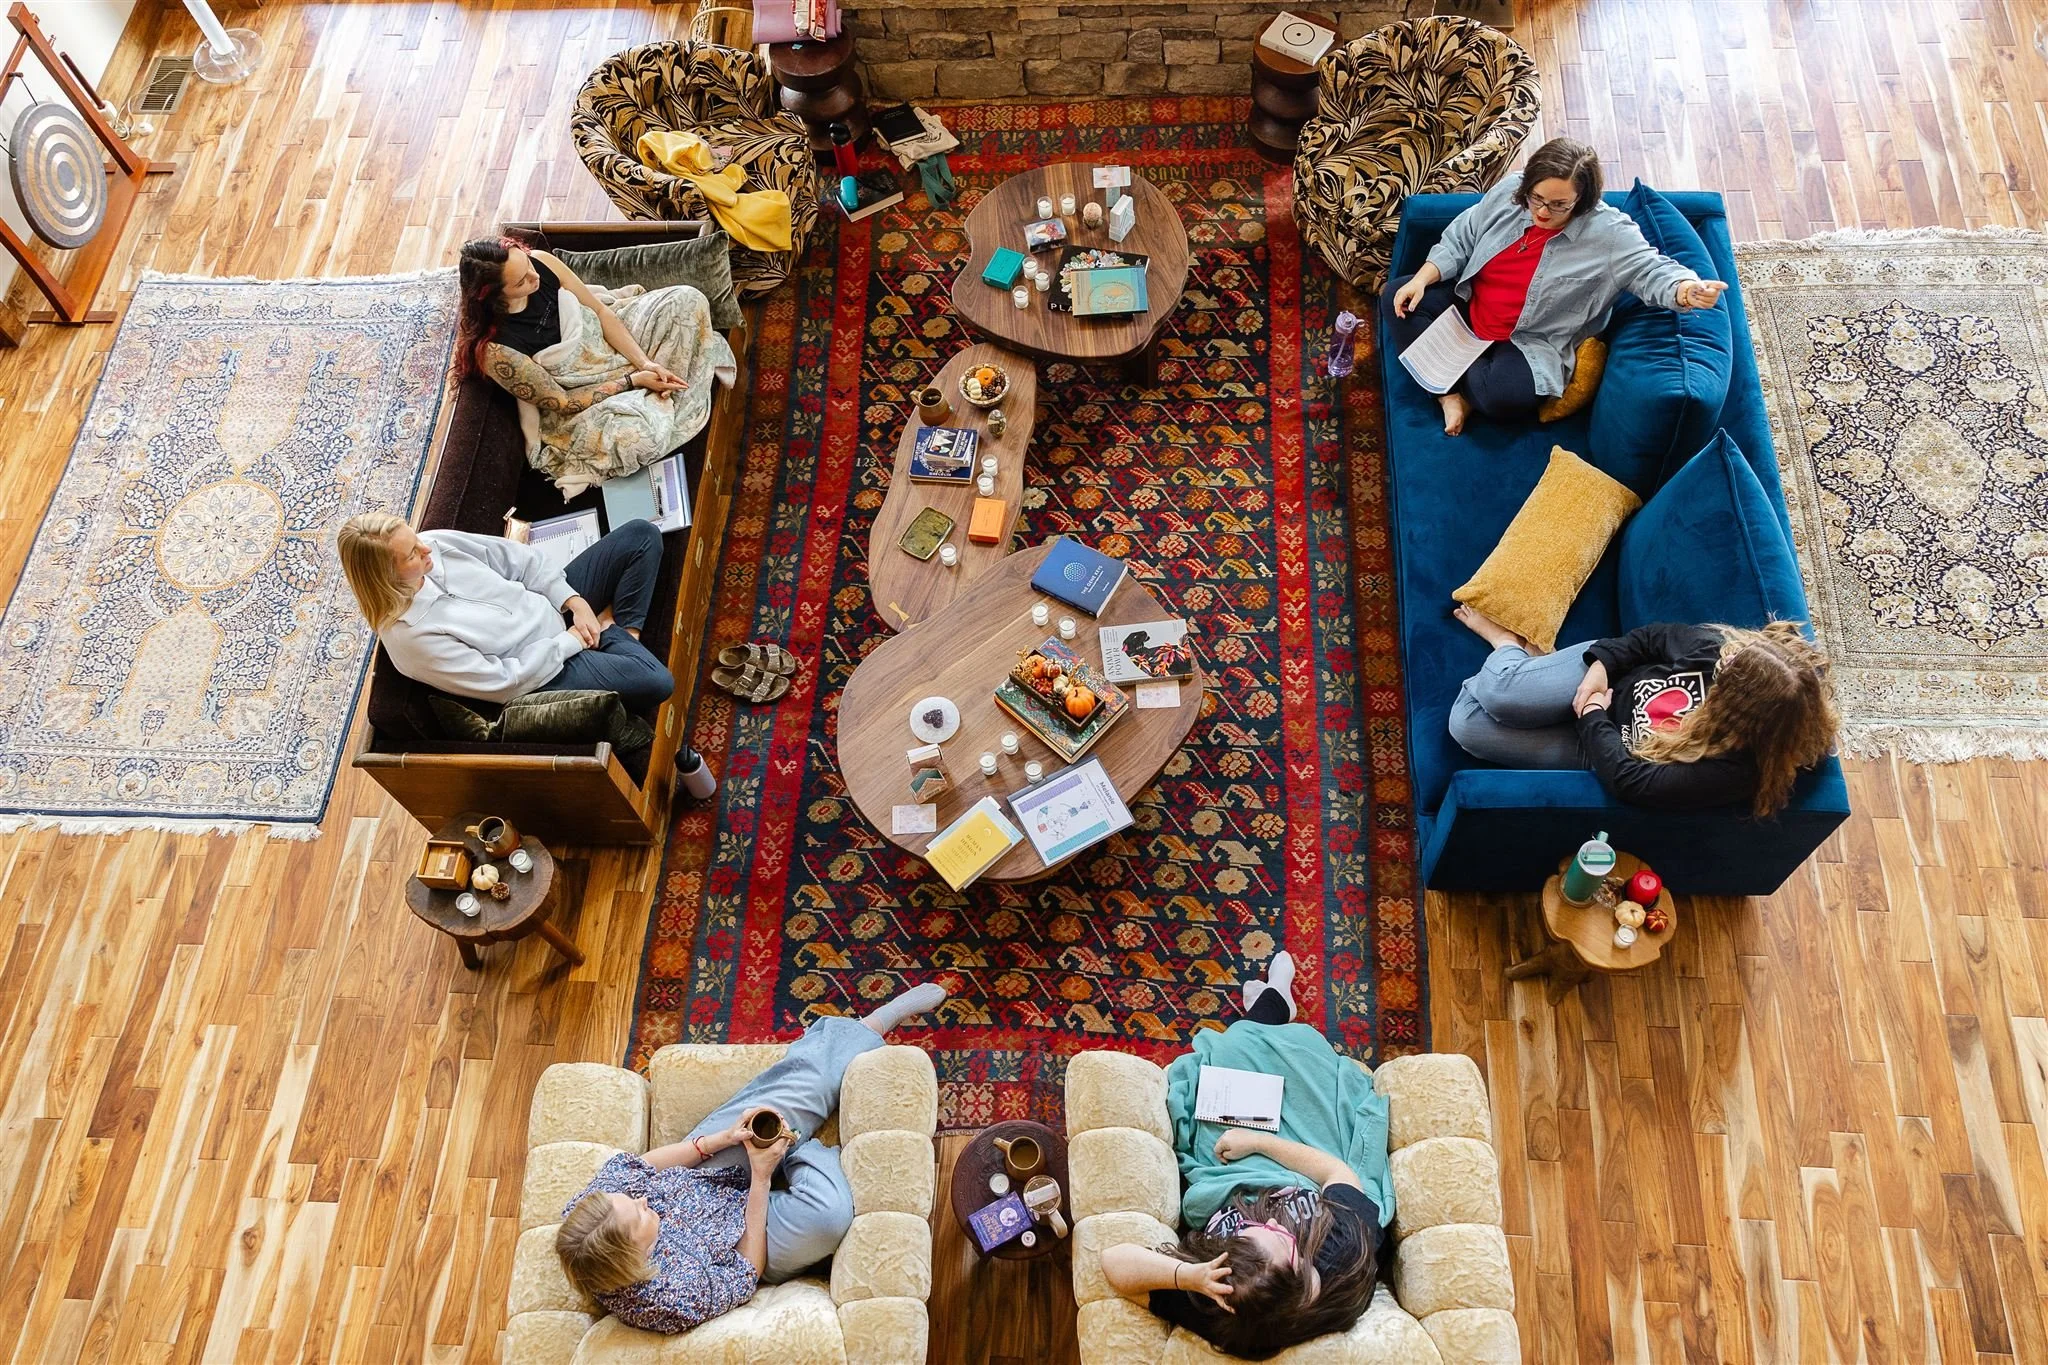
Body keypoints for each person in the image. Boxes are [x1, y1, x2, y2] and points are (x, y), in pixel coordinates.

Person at [553, 983, 950, 1333]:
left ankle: (869, 1027)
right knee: (827, 1217)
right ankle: (799, 1146)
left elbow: (646, 1166)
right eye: (639, 1215)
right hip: (748, 1241)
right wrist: (761, 1178)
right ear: (634, 1257)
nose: (642, 1200)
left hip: (707, 1174)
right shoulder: (666, 1299)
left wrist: (716, 1140)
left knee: (772, 1108)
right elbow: (745, 1273)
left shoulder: (593, 1213)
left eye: (632, 1199)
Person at [1100, 954, 1391, 1360]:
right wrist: (1260, 1142)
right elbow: (1335, 1170)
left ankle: (1269, 1007)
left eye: (1256, 1233)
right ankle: (1272, 1006)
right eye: (1281, 1237)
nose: (1271, 1220)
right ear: (1300, 1271)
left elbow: (1112, 1263)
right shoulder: (1342, 1250)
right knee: (1300, 1055)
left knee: (1231, 1055)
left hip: (1224, 1176)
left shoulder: (1218, 1300)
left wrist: (1189, 1276)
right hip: (1291, 1161)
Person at [1380, 138, 1730, 435]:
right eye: (1537, 199)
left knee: (1500, 398)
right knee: (1396, 296)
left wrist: (1685, 288)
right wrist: (1423, 278)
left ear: (1584, 199)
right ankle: (1449, 395)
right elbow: (1463, 236)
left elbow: (1650, 269)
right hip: (1470, 307)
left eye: (1559, 204)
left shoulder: (1610, 234)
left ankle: (1443, 367)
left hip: (1528, 341)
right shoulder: (1511, 192)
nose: (1543, 212)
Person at [1448, 607, 1839, 815]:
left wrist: (1592, 718)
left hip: (1604, 748)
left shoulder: (1733, 769)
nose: (1727, 653)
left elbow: (1632, 782)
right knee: (1500, 693)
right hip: (1604, 680)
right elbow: (1651, 638)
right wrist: (1598, 673)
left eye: (1726, 670)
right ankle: (1506, 644)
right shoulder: (1718, 649)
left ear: (1737, 711)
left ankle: (1529, 665)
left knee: (1465, 725)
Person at [454, 237, 734, 496]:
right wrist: (633, 380)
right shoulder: (498, 351)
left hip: (611, 338)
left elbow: (600, 311)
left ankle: (661, 394)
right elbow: (562, 402)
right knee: (638, 440)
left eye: (528, 264)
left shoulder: (541, 261)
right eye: (521, 282)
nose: (534, 276)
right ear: (494, 297)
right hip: (584, 389)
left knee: (687, 299)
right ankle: (664, 396)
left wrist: (644, 362)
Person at [336, 511, 674, 713]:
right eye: (412, 553)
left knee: (641, 534)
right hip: (544, 670)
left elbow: (521, 560)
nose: (427, 548)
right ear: (386, 576)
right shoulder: (411, 639)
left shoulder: (434, 544)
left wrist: (574, 601)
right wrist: (572, 641)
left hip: (556, 611)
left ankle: (620, 633)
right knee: (657, 682)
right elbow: (503, 683)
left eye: (416, 538)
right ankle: (609, 634)